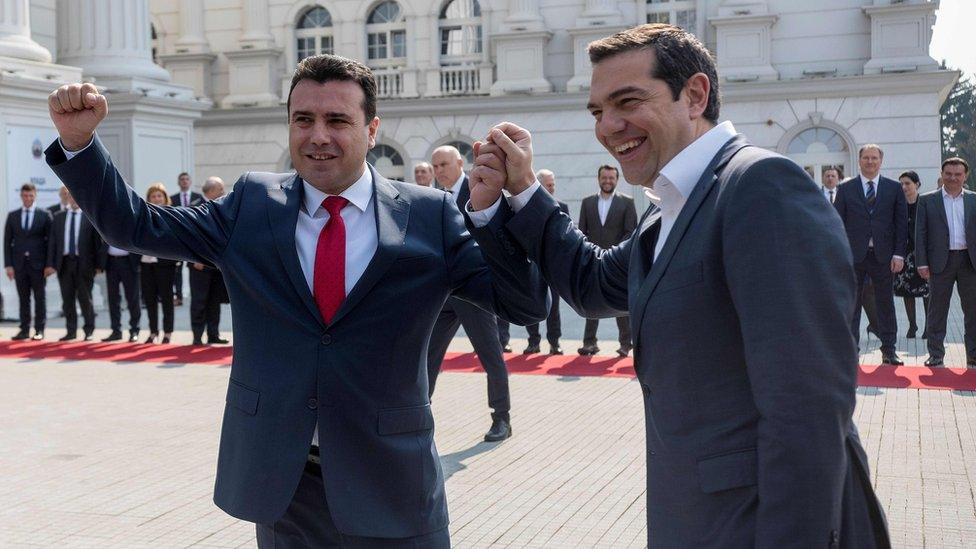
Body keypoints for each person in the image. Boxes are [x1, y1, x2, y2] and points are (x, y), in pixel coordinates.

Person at [46, 54, 547, 547]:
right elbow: (136, 225)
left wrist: (489, 215)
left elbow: (524, 305)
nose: (318, 135)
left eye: (337, 120)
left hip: (393, 481)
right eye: (303, 119)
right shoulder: (251, 205)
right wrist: (79, 144)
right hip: (287, 488)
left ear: (372, 130)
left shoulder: (430, 215)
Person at [469, 23, 889, 547]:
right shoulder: (669, 208)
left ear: (694, 95)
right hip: (698, 521)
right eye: (598, 111)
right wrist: (521, 191)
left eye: (627, 101)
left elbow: (807, 413)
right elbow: (592, 282)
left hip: (757, 525)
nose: (608, 126)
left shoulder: (761, 187)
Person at [426, 144, 514, 442]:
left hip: (474, 291)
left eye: (443, 165)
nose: (438, 171)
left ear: (460, 163)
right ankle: (418, 411)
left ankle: (502, 418)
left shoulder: (478, 190)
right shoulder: (435, 199)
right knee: (427, 355)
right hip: (444, 294)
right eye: (435, 166)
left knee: (490, 356)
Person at [834, 144, 908, 365]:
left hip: (884, 256)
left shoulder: (894, 188)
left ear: (881, 161)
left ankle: (889, 350)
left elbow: (901, 224)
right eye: (866, 158)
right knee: (852, 304)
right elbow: (836, 223)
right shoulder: (846, 188)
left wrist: (899, 254)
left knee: (885, 304)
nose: (870, 162)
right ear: (859, 160)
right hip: (853, 256)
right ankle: (850, 350)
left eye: (874, 158)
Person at [497, 168, 569, 355]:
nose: (552, 188)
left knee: (554, 308)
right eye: (549, 185)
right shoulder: (522, 206)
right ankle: (533, 342)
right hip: (532, 264)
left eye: (553, 185)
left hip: (553, 265)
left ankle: (555, 342)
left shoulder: (562, 206)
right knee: (534, 304)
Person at [916, 158, 976, 367]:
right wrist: (921, 263)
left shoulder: (973, 200)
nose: (952, 178)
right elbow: (920, 233)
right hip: (940, 261)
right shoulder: (927, 200)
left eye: (957, 174)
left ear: (965, 176)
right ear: (942, 174)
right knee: (937, 310)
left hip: (970, 261)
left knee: (973, 310)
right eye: (948, 173)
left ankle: (973, 355)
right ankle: (935, 354)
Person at [577, 164, 637, 356]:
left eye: (611, 178)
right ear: (598, 179)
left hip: (617, 261)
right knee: (590, 302)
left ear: (617, 180)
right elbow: (582, 233)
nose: (608, 181)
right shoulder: (587, 203)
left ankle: (626, 344)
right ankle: (589, 343)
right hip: (593, 261)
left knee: (619, 302)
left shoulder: (627, 202)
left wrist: (614, 252)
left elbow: (630, 232)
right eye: (604, 177)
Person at [46, 191, 104, 341]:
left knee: (85, 298)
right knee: (67, 300)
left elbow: (98, 243)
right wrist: (51, 264)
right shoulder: (58, 217)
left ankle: (89, 330)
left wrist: (99, 265)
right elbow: (53, 243)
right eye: (71, 196)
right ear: (67, 198)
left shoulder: (89, 218)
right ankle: (71, 331)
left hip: (84, 264)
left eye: (76, 195)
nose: (73, 199)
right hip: (64, 263)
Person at [4, 183, 53, 340]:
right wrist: (9, 265)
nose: (28, 198)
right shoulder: (13, 216)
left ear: (35, 195)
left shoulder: (44, 215)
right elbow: (7, 242)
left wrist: (49, 264)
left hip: (39, 265)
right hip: (19, 265)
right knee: (23, 298)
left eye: (30, 195)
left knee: (40, 298)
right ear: (21, 196)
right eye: (25, 196)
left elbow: (51, 242)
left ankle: (39, 330)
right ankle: (24, 329)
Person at [189, 177, 230, 345]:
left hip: (217, 264)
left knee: (215, 301)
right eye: (221, 189)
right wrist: (196, 258)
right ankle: (197, 336)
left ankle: (213, 334)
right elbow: (191, 235)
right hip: (199, 265)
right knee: (199, 301)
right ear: (212, 191)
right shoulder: (195, 205)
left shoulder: (223, 206)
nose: (223, 192)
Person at [139, 184, 177, 344]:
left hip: (164, 264)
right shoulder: (142, 215)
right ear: (148, 199)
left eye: (159, 196)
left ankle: (167, 332)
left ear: (165, 198)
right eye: (153, 196)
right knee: (150, 300)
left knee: (167, 299)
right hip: (146, 263)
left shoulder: (171, 214)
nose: (156, 199)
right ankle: (153, 331)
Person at [893, 171, 929, 339]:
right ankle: (912, 325)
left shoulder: (926, 203)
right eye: (901, 184)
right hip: (904, 253)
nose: (904, 187)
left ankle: (929, 326)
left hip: (923, 253)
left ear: (917, 184)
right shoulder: (898, 205)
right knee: (907, 290)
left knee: (926, 291)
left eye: (907, 183)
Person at [171, 172, 203, 307]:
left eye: (186, 179)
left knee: (193, 268)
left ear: (190, 182)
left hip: (193, 238)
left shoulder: (198, 197)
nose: (184, 181)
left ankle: (194, 294)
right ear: (178, 182)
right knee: (177, 269)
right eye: (182, 179)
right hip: (178, 237)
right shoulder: (172, 199)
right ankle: (178, 296)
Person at [102, 240, 142, 342]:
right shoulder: (108, 223)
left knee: (132, 298)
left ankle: (134, 330)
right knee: (113, 299)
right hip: (111, 262)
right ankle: (116, 330)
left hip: (129, 262)